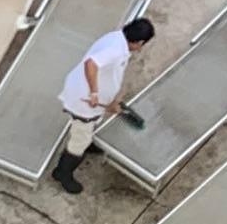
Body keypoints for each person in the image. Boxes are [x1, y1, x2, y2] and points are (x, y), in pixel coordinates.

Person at [54, 14, 155, 190]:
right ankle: (62, 173)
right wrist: (94, 93)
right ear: (139, 42)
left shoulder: (117, 39)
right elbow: (91, 64)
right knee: (80, 138)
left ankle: (87, 143)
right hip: (83, 100)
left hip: (93, 100)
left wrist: (110, 101)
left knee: (88, 127)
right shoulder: (116, 49)